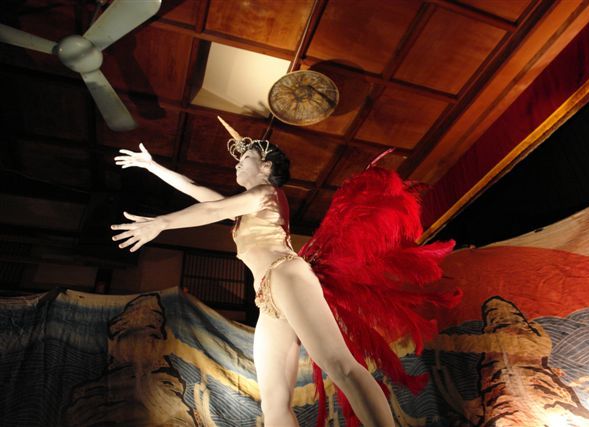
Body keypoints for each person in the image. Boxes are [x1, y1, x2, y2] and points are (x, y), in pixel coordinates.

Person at [110, 124, 396, 426]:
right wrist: (152, 166)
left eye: (245, 157)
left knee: (339, 365)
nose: (237, 163)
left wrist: (161, 223)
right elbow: (195, 189)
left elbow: (210, 211)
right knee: (274, 403)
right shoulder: (245, 208)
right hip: (267, 299)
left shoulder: (266, 193)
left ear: (266, 167)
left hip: (286, 275)